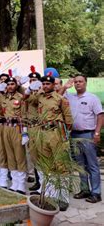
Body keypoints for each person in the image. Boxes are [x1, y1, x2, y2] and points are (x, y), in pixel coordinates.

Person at [24, 74, 74, 211]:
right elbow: (26, 99)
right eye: (43, 84)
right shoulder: (39, 97)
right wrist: (33, 89)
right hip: (43, 133)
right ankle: (51, 196)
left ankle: (63, 198)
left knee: (61, 165)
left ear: (53, 85)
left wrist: (64, 135)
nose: (45, 86)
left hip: (56, 133)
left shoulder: (60, 99)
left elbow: (69, 120)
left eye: (48, 84)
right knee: (48, 166)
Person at [62, 75, 103, 203]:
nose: (78, 84)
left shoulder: (92, 98)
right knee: (80, 165)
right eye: (76, 82)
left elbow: (100, 115)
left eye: (80, 81)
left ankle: (96, 192)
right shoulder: (70, 97)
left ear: (86, 83)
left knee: (92, 165)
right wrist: (65, 87)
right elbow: (57, 97)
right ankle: (85, 190)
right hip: (74, 135)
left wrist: (97, 133)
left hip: (88, 135)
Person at [0, 77, 27, 194]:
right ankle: (14, 182)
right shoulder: (2, 97)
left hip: (17, 128)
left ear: (16, 85)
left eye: (12, 84)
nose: (10, 86)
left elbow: (24, 115)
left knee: (19, 156)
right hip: (6, 128)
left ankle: (21, 184)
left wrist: (25, 132)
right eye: (8, 84)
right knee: (10, 155)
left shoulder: (21, 97)